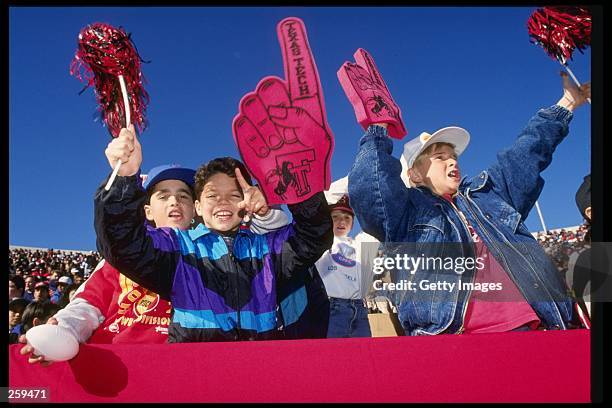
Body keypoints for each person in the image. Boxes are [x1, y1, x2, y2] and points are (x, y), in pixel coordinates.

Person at [348, 70, 590, 335]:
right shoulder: (406, 214)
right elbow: (372, 190)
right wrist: (378, 127)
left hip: (535, 330)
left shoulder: (487, 196)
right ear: (415, 174)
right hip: (458, 341)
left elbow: (525, 154)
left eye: (453, 156)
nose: (452, 161)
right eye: (439, 156)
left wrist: (567, 103)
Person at [20, 162, 293, 365]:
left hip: (179, 366)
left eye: (184, 195)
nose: (174, 201)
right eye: (163, 195)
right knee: (16, 389)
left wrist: (267, 211)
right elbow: (87, 306)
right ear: (147, 210)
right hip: (117, 363)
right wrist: (63, 330)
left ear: (196, 208)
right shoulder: (119, 258)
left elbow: (275, 242)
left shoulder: (217, 253)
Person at [94, 126, 332, 343]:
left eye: (234, 194)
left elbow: (314, 236)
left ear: (248, 201)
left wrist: (297, 186)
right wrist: (124, 178)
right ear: (197, 207)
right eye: (212, 195)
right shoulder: (178, 249)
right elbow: (123, 242)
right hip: (194, 377)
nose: (223, 202)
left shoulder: (268, 250)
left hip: (259, 372)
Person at [315, 178, 380, 338]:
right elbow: (321, 200)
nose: (341, 221)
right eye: (335, 216)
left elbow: (379, 219)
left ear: (352, 223)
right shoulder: (320, 242)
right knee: (331, 358)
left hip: (360, 311)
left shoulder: (360, 244)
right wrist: (358, 177)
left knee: (363, 358)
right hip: (330, 310)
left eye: (347, 218)